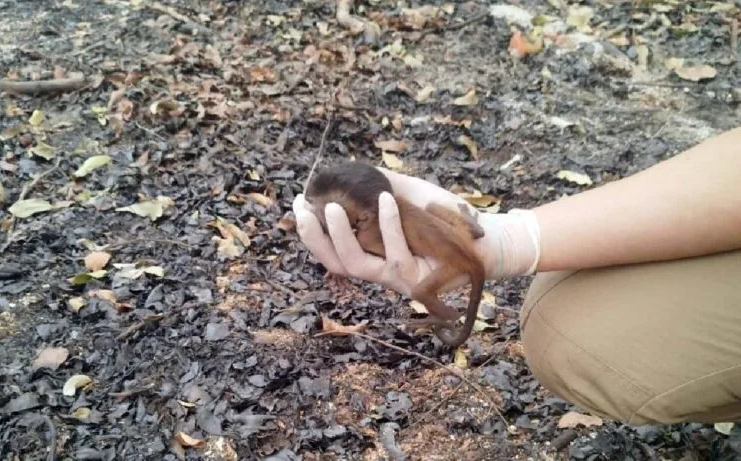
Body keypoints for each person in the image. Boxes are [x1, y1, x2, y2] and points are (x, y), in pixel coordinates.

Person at [292, 126, 741, 426]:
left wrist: (441, 307)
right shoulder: (400, 210)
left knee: (575, 341)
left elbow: (385, 240)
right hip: (462, 238)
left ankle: (445, 317)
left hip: (451, 265)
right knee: (560, 315)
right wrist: (509, 240)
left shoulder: (378, 223)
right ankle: (470, 253)